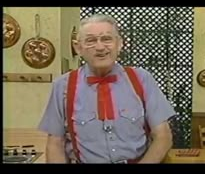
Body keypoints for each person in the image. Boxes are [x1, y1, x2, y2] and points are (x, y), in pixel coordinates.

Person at [38, 14, 176, 164]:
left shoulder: (142, 79)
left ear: (119, 44)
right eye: (91, 40)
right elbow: (55, 144)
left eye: (106, 39)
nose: (100, 47)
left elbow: (163, 136)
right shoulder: (62, 86)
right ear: (78, 48)